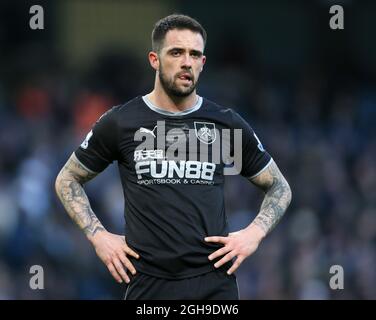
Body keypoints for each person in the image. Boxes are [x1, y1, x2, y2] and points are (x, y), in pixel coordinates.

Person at [55, 14, 292, 300]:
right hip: (148, 284)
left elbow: (279, 186)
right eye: (176, 52)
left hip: (213, 284)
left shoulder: (224, 124)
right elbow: (67, 178)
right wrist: (99, 236)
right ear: (154, 59)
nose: (186, 62)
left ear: (202, 64)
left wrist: (253, 234)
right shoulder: (122, 122)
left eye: (195, 55)